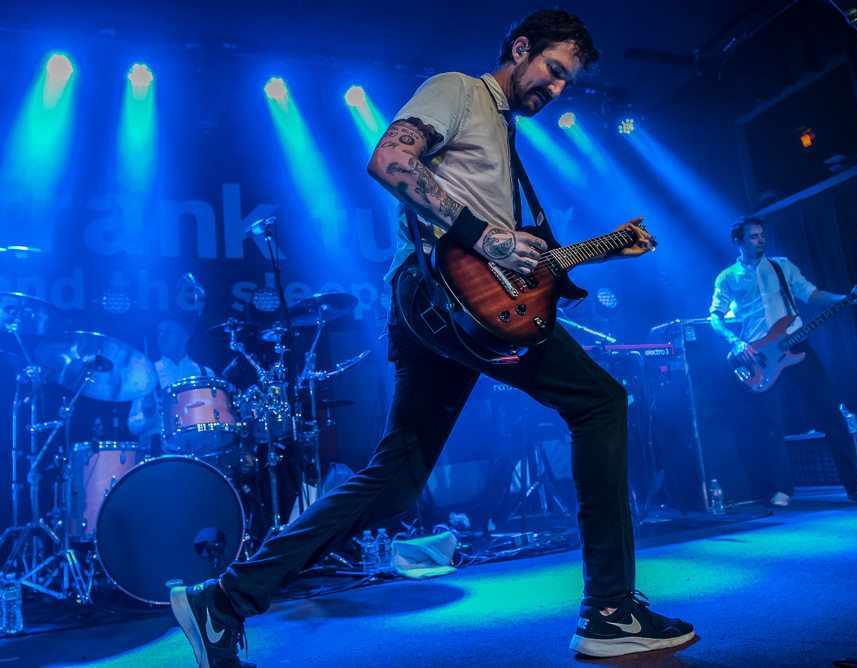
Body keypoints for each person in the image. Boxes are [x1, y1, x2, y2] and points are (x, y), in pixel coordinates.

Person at [170, 10, 694, 666]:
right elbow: (391, 159)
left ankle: (224, 601)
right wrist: (488, 238)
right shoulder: (460, 90)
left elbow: (515, 258)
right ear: (520, 48)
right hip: (442, 299)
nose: (557, 89)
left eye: (569, 83)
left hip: (442, 312)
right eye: (553, 71)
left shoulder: (502, 131)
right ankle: (611, 611)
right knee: (599, 402)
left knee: (394, 483)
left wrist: (597, 250)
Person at [709, 216, 857, 506]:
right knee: (772, 426)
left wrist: (846, 297)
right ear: (738, 242)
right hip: (760, 356)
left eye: (762, 235)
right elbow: (715, 317)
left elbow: (813, 295)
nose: (761, 240)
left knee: (831, 413)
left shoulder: (782, 265)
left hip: (797, 345)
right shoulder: (728, 277)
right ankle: (783, 489)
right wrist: (736, 342)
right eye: (754, 236)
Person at [127, 316, 214, 454]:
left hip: (200, 449)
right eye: (159, 332)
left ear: (185, 337)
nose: (162, 336)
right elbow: (133, 425)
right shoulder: (148, 374)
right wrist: (147, 415)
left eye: (168, 331)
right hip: (160, 451)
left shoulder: (205, 374)